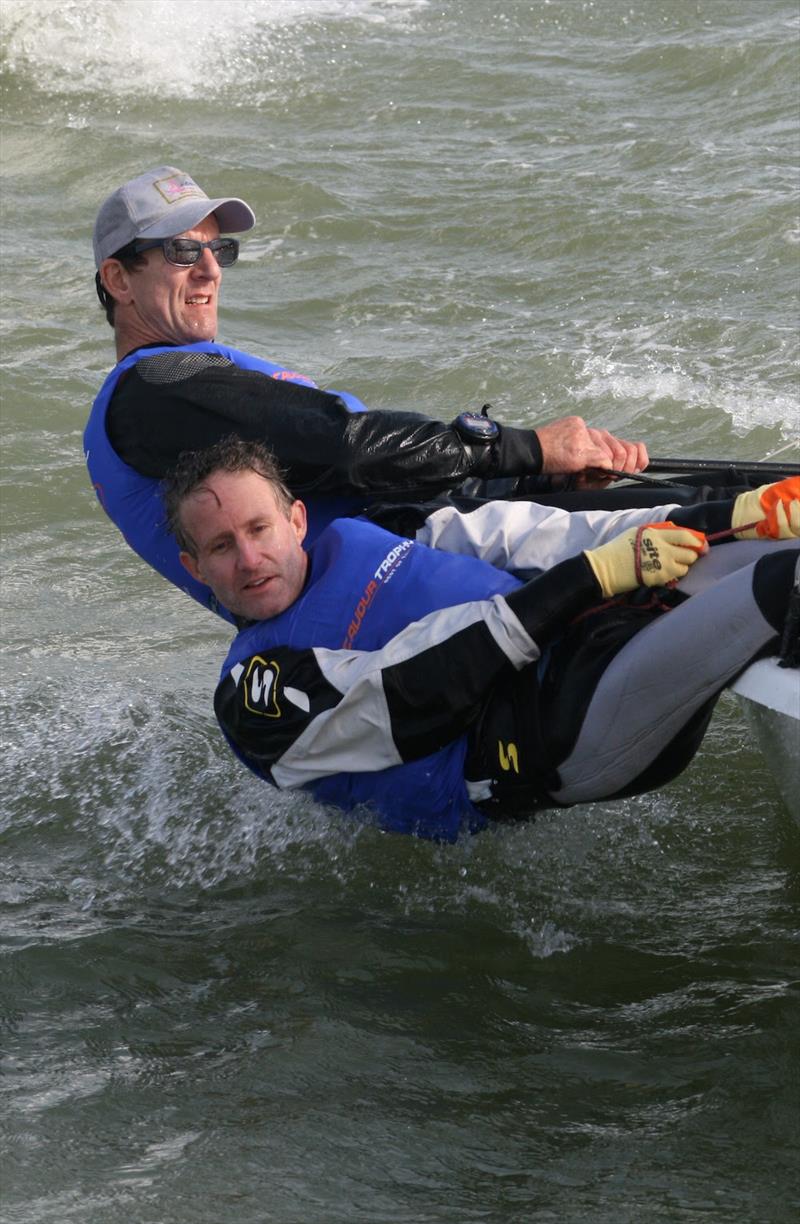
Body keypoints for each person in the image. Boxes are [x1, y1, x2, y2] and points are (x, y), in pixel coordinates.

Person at [85, 164, 734, 625]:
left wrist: (537, 482)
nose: (210, 269)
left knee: (699, 505)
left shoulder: (179, 384)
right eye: (180, 251)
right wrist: (524, 449)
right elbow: (342, 449)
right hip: (417, 569)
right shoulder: (151, 393)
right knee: (725, 520)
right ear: (118, 277)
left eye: (218, 249)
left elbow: (326, 469)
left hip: (433, 542)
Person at [161, 438, 800, 842]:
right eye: (222, 546)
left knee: (782, 536)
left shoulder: (375, 533)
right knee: (784, 583)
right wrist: (594, 577)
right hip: (555, 737)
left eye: (258, 528)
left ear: (296, 520)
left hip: (593, 636)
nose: (250, 559)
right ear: (195, 569)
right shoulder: (253, 696)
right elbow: (414, 691)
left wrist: (730, 516)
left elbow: (544, 535)